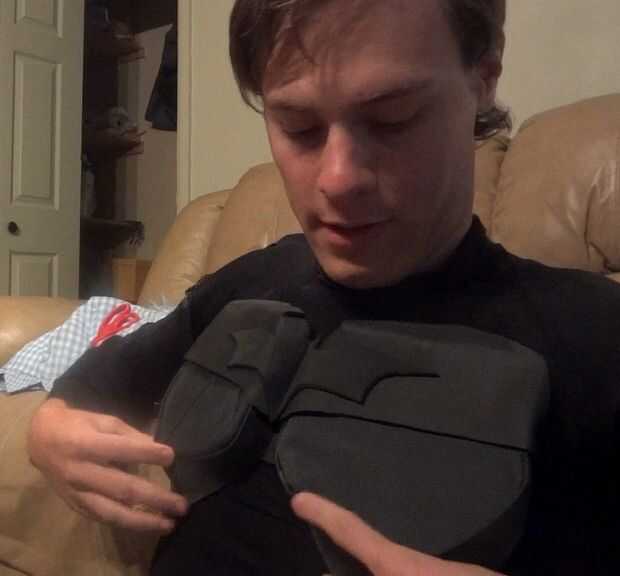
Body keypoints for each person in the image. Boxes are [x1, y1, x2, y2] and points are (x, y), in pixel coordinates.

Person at [27, 0, 620, 574]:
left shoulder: (593, 333)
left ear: (483, 76)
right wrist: (49, 428)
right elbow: (104, 376)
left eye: (392, 119)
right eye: (299, 127)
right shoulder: (255, 277)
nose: (337, 180)